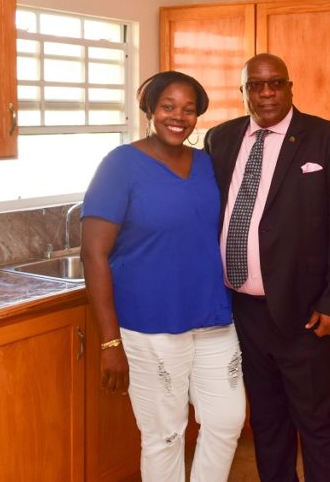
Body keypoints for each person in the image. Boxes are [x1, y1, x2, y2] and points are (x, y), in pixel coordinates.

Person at [205, 53, 330, 481]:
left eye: (275, 83)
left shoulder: (328, 139)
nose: (266, 93)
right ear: (243, 92)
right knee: (267, 420)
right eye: (255, 85)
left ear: (290, 87)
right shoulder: (220, 139)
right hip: (241, 311)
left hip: (306, 312)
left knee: (317, 420)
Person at [81, 71, 245, 482]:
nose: (178, 117)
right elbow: (93, 254)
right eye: (168, 107)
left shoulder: (206, 163)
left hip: (213, 316)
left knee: (226, 421)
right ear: (150, 110)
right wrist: (110, 342)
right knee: (165, 435)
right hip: (150, 325)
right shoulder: (120, 165)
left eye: (188, 109)